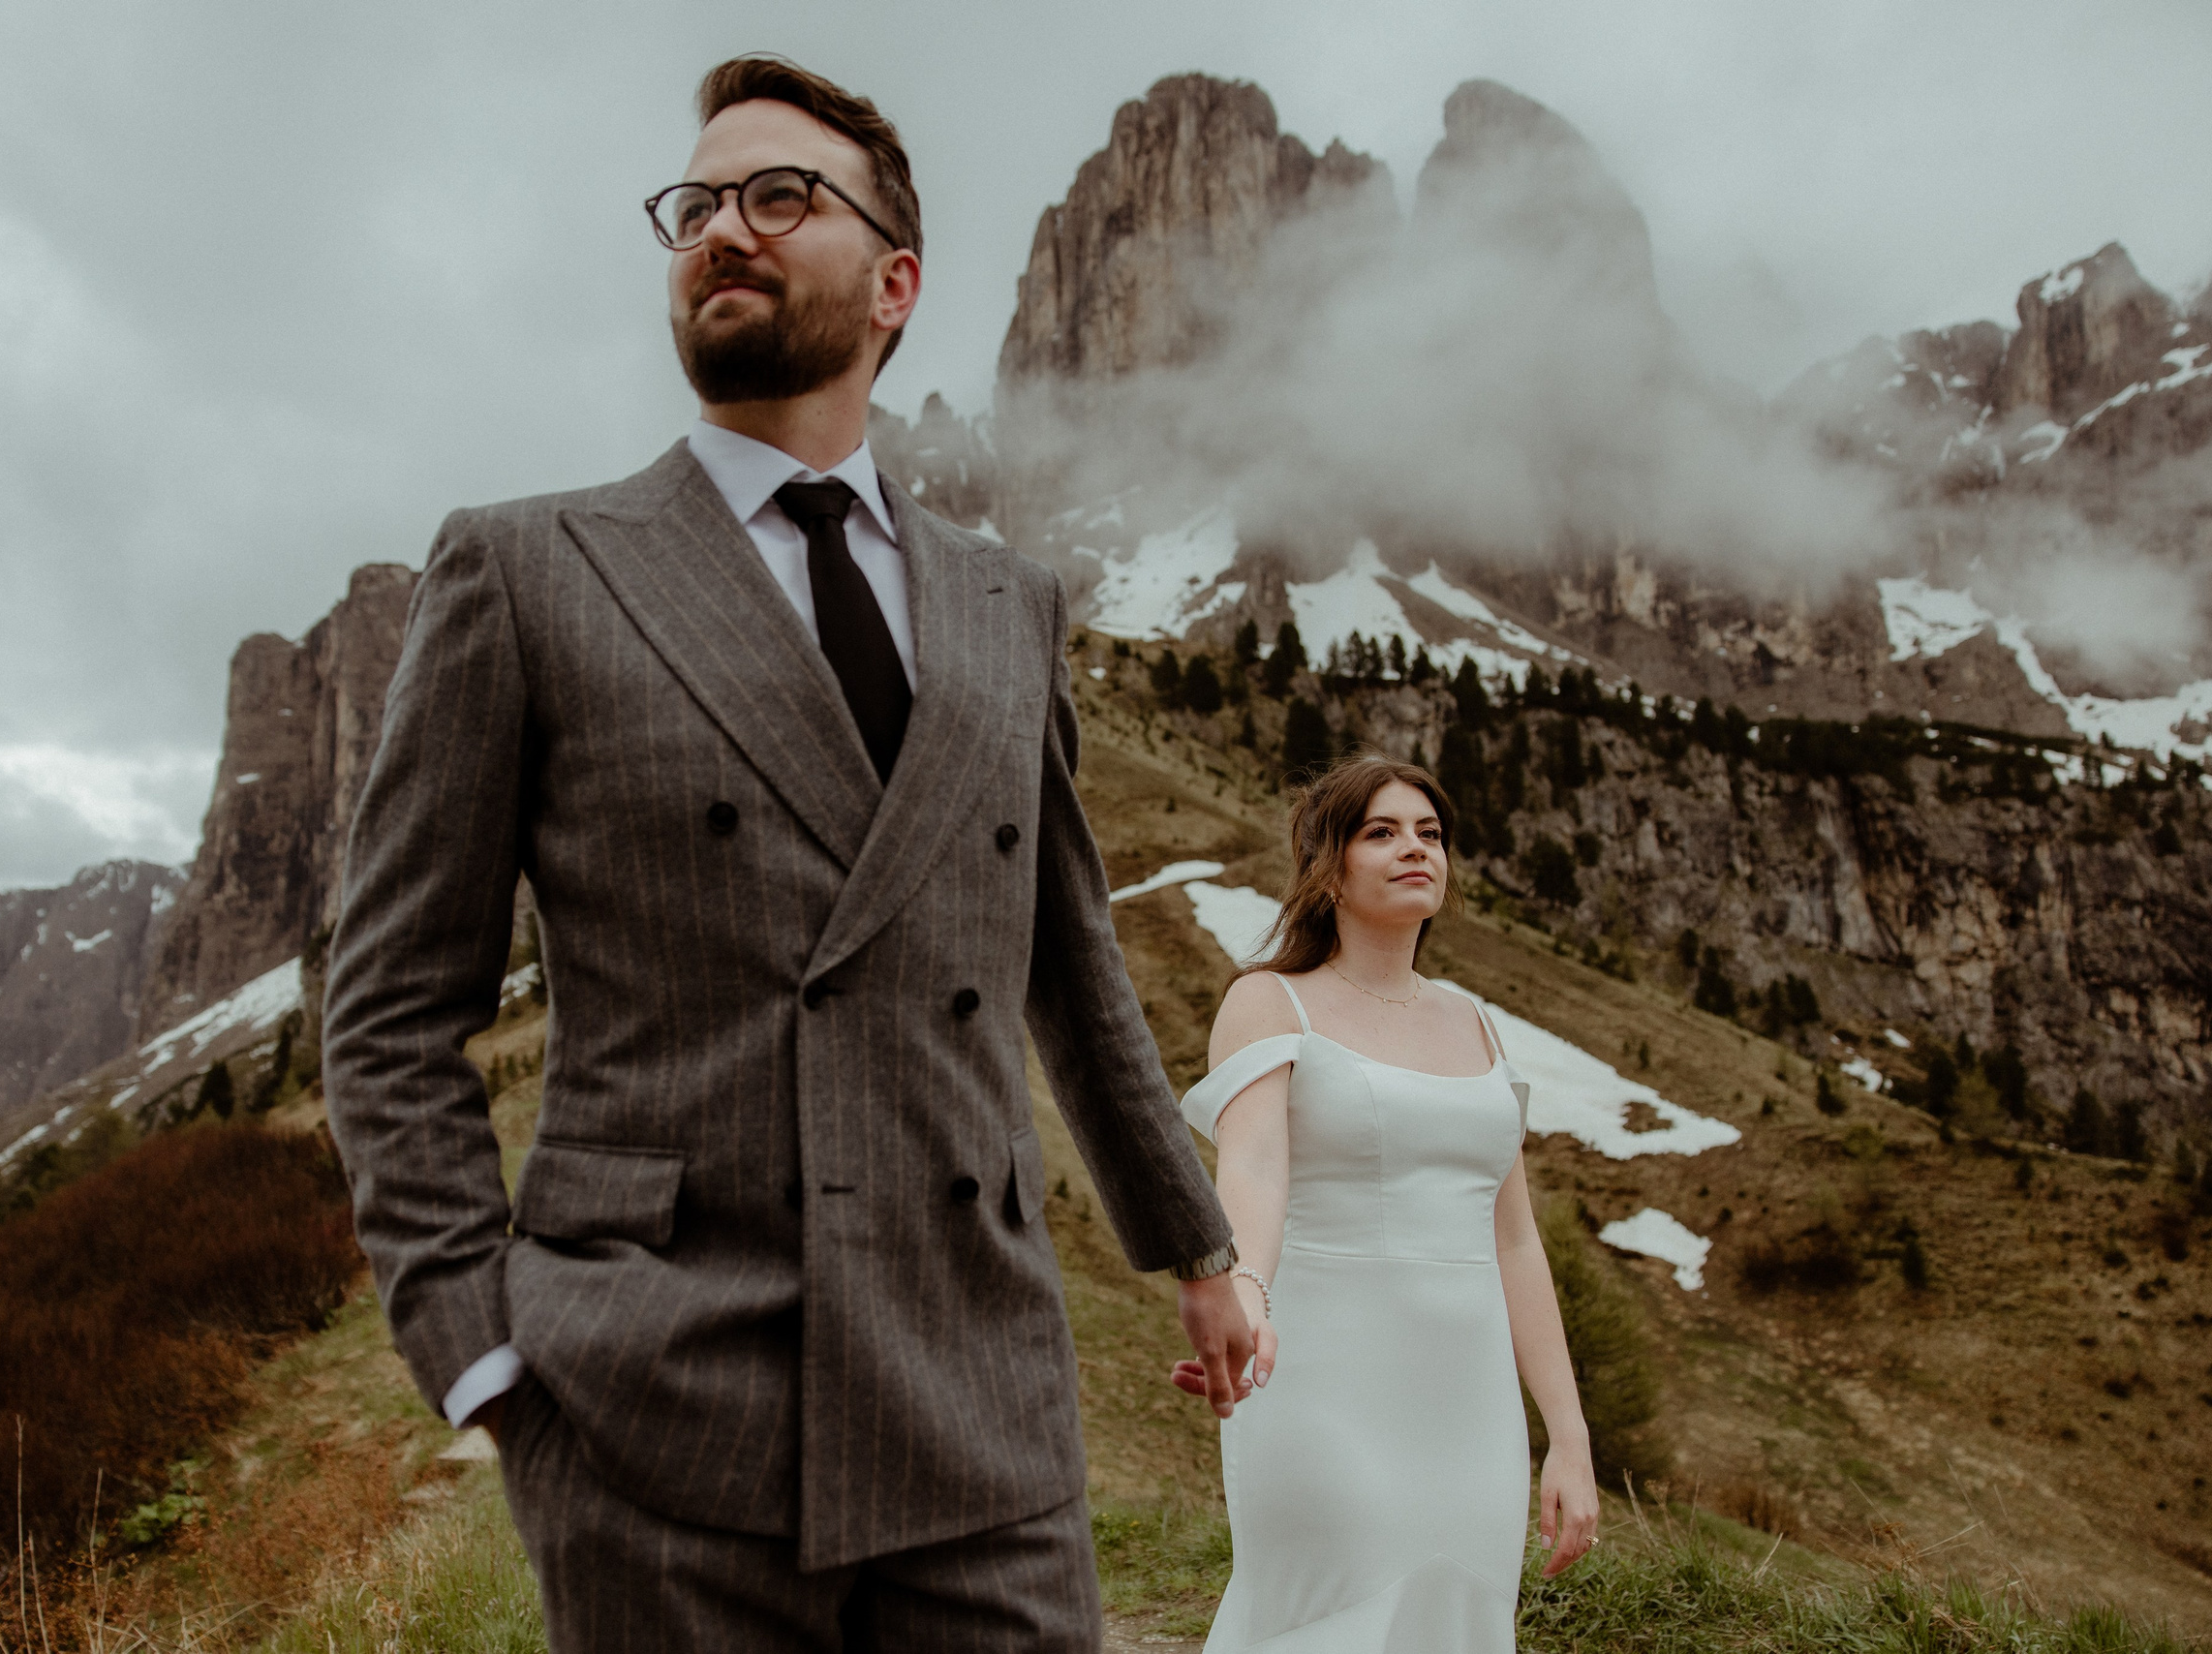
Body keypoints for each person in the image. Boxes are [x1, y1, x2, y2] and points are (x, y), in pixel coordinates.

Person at [321, 53, 1257, 1653]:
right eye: (694, 205)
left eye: (778, 197)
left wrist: (1197, 1245)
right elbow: (393, 1008)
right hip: (656, 1412)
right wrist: (483, 1356)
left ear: (896, 282)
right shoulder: (528, 568)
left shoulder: (1006, 602)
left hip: (981, 1403)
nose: (721, 231)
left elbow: (1068, 964)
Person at [1170, 751, 1599, 1650]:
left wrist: (1566, 1434)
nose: (1416, 849)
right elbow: (1253, 1172)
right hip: (1322, 1380)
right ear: (1329, 864)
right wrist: (1245, 1299)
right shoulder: (1270, 1001)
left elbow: (1516, 1244)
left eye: (1431, 834)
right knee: (1330, 1621)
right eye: (1382, 831)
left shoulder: (1474, 1021)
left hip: (1470, 1409)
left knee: (1458, 1619)